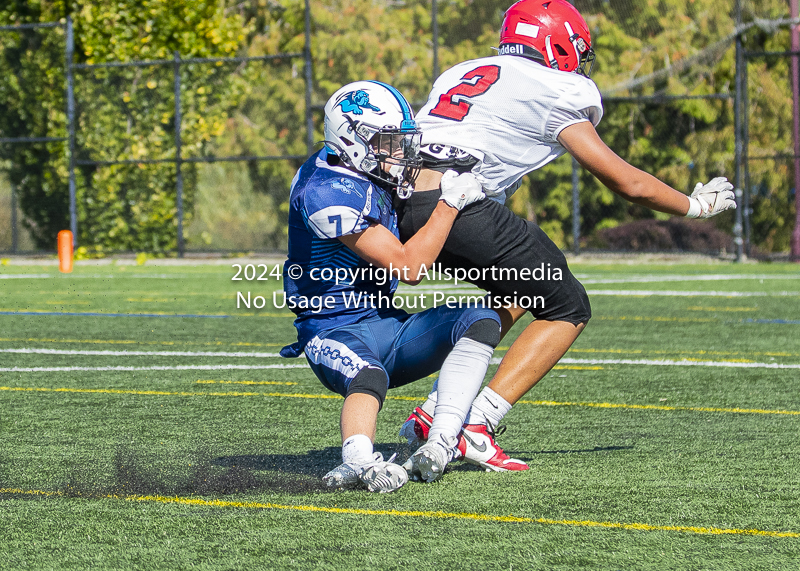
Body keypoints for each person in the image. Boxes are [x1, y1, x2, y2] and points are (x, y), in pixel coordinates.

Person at [397, 0, 736, 471]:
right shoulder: (556, 87)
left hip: (405, 205)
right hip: (455, 203)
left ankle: (436, 411)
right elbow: (625, 182)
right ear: (558, 44)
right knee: (568, 305)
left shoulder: (465, 69)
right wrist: (694, 205)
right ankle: (476, 424)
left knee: (520, 289)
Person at [279, 80, 502, 491]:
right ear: (352, 140)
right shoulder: (324, 191)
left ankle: (442, 440)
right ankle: (358, 460)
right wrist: (451, 203)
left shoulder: (356, 165)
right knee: (369, 373)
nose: (399, 154)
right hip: (332, 328)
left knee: (481, 320)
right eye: (388, 143)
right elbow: (408, 266)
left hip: (387, 324)